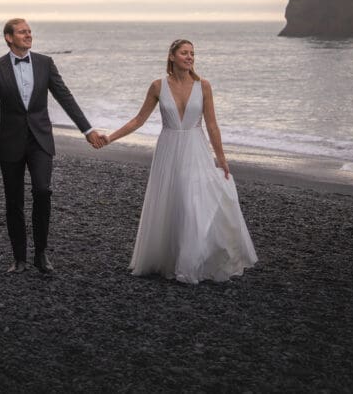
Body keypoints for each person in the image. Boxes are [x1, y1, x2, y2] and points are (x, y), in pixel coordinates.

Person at [101, 39, 257, 284]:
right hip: (169, 148)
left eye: (192, 53)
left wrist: (222, 158)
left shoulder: (203, 85)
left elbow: (212, 124)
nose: (190, 57)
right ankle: (170, 260)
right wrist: (110, 138)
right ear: (172, 56)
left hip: (196, 148)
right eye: (184, 53)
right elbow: (138, 120)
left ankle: (192, 263)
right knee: (171, 201)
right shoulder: (157, 86)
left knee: (192, 201)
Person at [0, 18, 105, 274]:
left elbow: (65, 96)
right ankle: (19, 258)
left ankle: (41, 253)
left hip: (40, 140)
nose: (28, 35)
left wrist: (87, 129)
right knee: (13, 201)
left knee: (43, 191)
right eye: (22, 32)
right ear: (8, 37)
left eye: (29, 31)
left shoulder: (45, 63)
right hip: (10, 141)